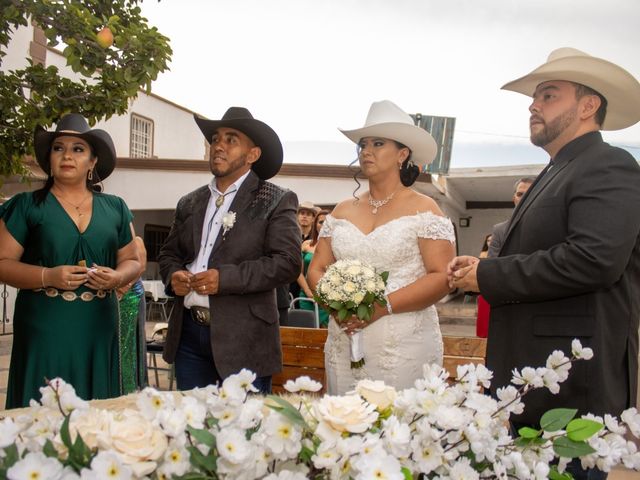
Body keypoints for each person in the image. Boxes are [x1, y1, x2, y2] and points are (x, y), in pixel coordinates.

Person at [448, 48, 640, 479]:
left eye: (549, 95)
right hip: (539, 381)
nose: (534, 105)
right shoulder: (556, 171)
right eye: (534, 98)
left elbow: (595, 260)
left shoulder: (608, 164)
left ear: (588, 106)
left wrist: (489, 275)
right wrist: (481, 265)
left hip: (575, 387)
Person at [308, 100, 456, 394]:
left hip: (403, 346)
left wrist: (381, 307)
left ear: (402, 154)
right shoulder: (341, 210)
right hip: (344, 340)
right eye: (363, 144)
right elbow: (317, 268)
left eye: (378, 143)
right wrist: (336, 308)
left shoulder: (425, 209)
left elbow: (441, 276)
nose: (366, 151)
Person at [0, 113, 141, 408]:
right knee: (42, 415)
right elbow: (2, 262)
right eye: (58, 147)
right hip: (44, 328)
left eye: (78, 149)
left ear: (92, 162)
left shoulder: (115, 208)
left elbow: (132, 260)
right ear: (49, 159)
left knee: (98, 416)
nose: (67, 155)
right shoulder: (26, 206)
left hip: (98, 329)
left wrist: (117, 277)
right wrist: (47, 276)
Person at [158, 106, 301, 394]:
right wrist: (173, 276)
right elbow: (168, 255)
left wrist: (225, 279)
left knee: (243, 434)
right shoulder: (190, 202)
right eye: (215, 139)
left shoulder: (276, 199)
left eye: (231, 139)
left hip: (244, 339)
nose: (219, 146)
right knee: (193, 430)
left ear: (253, 155)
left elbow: (287, 263)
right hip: (188, 337)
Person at [117, 236, 148, 393]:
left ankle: (130, 389)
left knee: (128, 348)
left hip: (130, 297)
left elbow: (141, 266)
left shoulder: (136, 240)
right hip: (112, 297)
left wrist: (122, 288)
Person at [296, 209, 330, 327]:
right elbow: (298, 272)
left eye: (327, 222)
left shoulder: (337, 247)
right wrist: (307, 291)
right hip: (306, 296)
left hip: (328, 297)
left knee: (325, 333)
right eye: (321, 222)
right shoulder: (306, 245)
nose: (323, 225)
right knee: (306, 332)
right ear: (315, 224)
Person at [486, 177, 534, 257]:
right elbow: (492, 263)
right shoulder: (499, 230)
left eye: (529, 194)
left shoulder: (550, 227)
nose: (524, 199)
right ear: (514, 199)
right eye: (520, 194)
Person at [289, 201, 318, 300]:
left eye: (308, 214)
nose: (304, 216)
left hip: (308, 285)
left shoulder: (316, 239)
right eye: (302, 213)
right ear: (297, 216)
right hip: (291, 283)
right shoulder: (290, 235)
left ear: (313, 218)